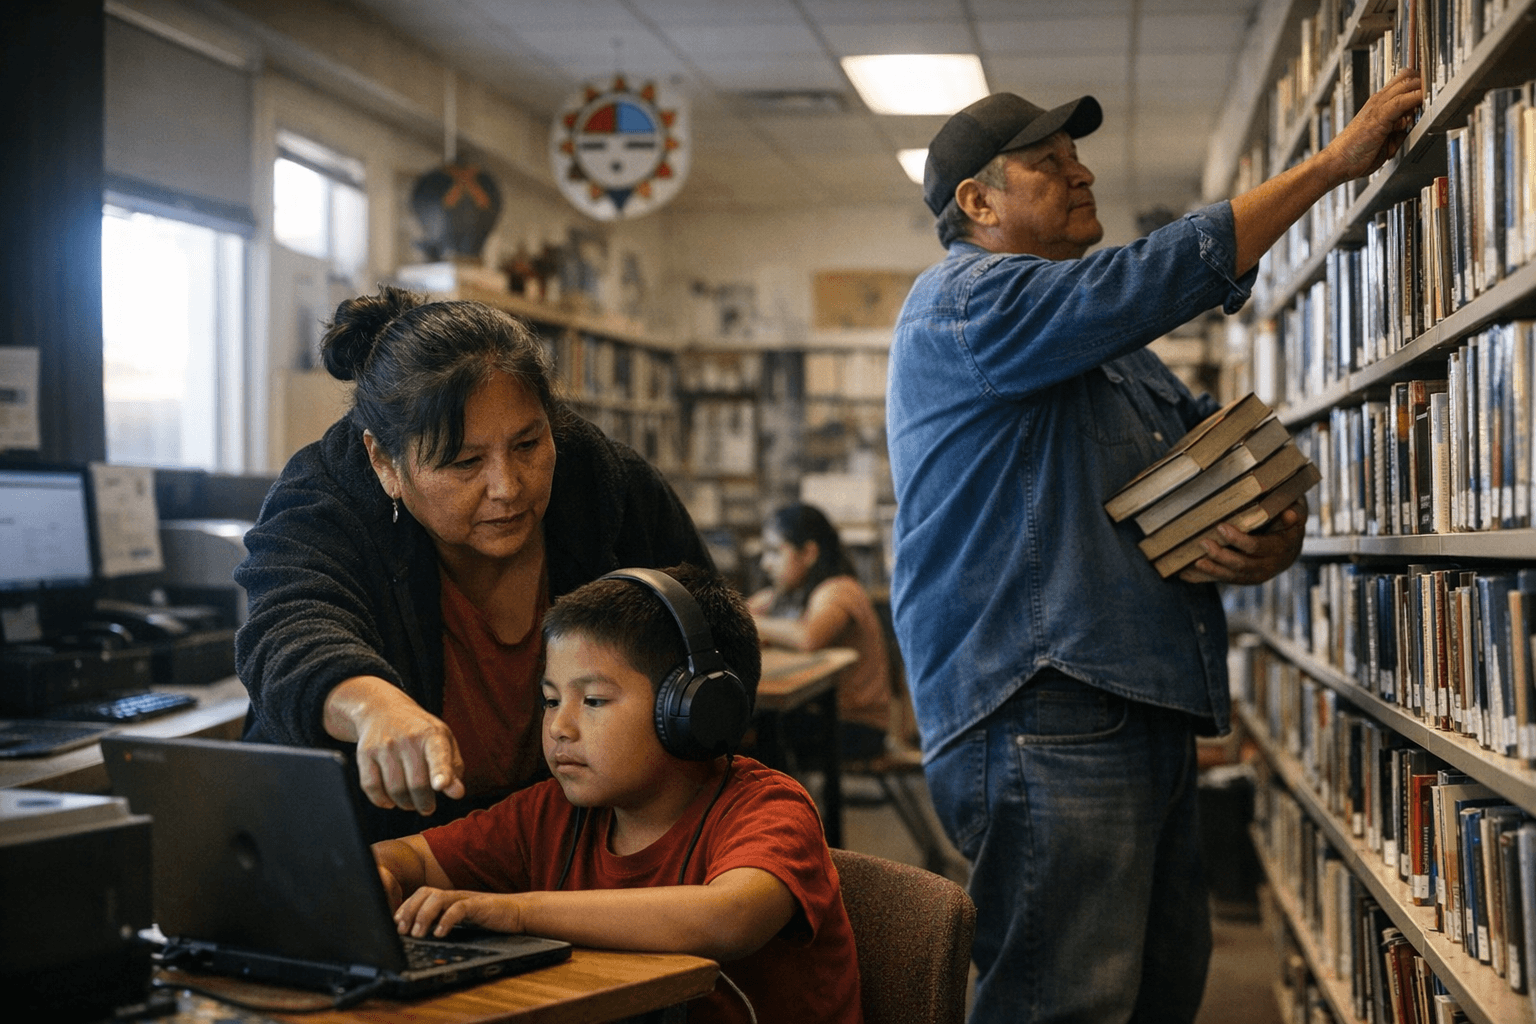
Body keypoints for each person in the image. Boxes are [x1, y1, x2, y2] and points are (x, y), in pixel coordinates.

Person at [886, 70, 1424, 1024]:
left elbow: (1215, 457)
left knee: (1159, 991)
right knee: (1067, 1000)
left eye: (1077, 155)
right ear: (977, 203)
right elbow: (1145, 278)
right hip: (1042, 706)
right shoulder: (961, 303)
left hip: (1140, 701)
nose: (1080, 172)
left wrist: (1273, 532)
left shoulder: (1110, 349)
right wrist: (1334, 166)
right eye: (1047, 164)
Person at [234, 286, 712, 842]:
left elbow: (705, 622)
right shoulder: (326, 498)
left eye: (529, 444)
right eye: (464, 462)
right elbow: (287, 625)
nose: (507, 487)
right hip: (358, 851)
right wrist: (372, 707)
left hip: (564, 852)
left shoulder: (605, 482)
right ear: (384, 461)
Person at [372, 564, 863, 1024]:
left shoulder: (769, 808)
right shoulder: (550, 814)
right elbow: (406, 856)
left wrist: (517, 911)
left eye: (594, 700)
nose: (560, 727)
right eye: (549, 699)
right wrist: (383, 874)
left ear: (694, 710)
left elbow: (729, 916)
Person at [747, 503, 892, 763]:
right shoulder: (793, 593)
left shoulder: (839, 589)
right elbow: (745, 613)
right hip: (827, 719)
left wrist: (748, 619)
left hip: (858, 726)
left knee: (752, 735)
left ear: (809, 553)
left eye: (774, 552)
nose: (766, 564)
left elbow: (808, 637)